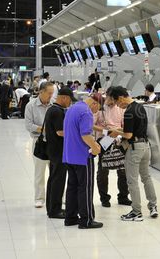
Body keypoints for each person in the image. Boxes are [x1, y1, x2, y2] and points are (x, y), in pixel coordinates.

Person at [108, 86, 158, 222]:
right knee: (146, 177)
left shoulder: (128, 111)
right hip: (146, 146)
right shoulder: (140, 107)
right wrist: (119, 129)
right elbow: (136, 127)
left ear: (121, 98)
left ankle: (136, 211)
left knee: (132, 180)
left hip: (134, 148)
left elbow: (129, 134)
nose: (119, 106)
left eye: (117, 103)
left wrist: (117, 132)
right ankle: (153, 206)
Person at [63, 94, 103, 229]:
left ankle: (70, 218)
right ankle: (86, 220)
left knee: (72, 187)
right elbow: (85, 134)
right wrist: (95, 147)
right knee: (85, 188)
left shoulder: (72, 108)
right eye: (97, 109)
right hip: (82, 157)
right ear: (95, 103)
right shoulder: (86, 112)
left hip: (69, 155)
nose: (95, 112)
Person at [93, 89, 132, 208]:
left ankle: (123, 196)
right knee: (103, 170)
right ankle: (104, 198)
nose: (114, 102)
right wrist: (108, 131)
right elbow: (92, 125)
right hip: (105, 139)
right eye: (112, 99)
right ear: (108, 96)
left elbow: (124, 124)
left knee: (123, 169)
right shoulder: (100, 107)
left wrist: (120, 133)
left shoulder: (120, 107)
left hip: (119, 138)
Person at [44, 87, 76, 219]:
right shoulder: (58, 112)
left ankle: (51, 207)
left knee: (53, 178)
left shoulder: (51, 109)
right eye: (69, 100)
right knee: (58, 179)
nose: (70, 103)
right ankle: (55, 210)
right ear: (64, 97)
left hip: (52, 149)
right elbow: (60, 132)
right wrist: (76, 134)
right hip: (58, 151)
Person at [24, 82, 54, 208]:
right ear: (41, 92)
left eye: (52, 93)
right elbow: (29, 125)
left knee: (56, 172)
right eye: (49, 93)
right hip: (39, 143)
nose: (51, 95)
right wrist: (45, 129)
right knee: (39, 172)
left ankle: (56, 196)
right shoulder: (31, 106)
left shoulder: (54, 105)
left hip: (54, 143)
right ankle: (39, 198)